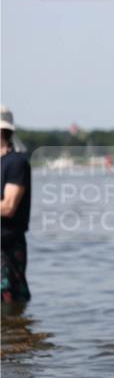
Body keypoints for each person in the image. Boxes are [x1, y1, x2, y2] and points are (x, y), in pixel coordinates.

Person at [1, 107, 32, 308]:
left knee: (9, 304)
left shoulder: (16, 163)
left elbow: (8, 207)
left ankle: (19, 337)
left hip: (6, 247)